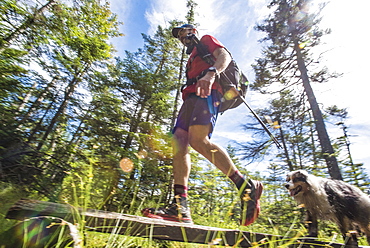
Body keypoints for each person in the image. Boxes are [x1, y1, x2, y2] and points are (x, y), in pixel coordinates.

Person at [142, 24, 263, 226]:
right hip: (190, 98)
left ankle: (245, 185)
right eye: (179, 36)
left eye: (184, 32)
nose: (182, 37)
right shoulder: (190, 59)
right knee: (179, 142)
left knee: (198, 140)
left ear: (193, 31)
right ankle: (180, 208)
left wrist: (211, 74)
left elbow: (224, 56)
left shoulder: (206, 41)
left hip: (208, 91)